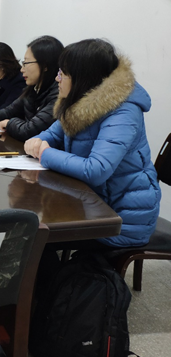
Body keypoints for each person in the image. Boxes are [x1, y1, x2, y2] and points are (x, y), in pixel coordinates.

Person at [25, 38, 161, 248]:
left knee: (34, 238)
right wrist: (37, 141)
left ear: (82, 78)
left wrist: (45, 153)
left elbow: (97, 170)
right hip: (89, 202)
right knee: (33, 230)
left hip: (121, 218)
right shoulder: (79, 102)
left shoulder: (124, 111)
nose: (57, 78)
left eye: (63, 73)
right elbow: (50, 135)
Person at [0, 36, 64, 142]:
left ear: (45, 66)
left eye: (26, 63)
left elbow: (30, 130)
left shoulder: (58, 94)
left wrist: (9, 123)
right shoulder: (33, 89)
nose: (22, 69)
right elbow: (8, 112)